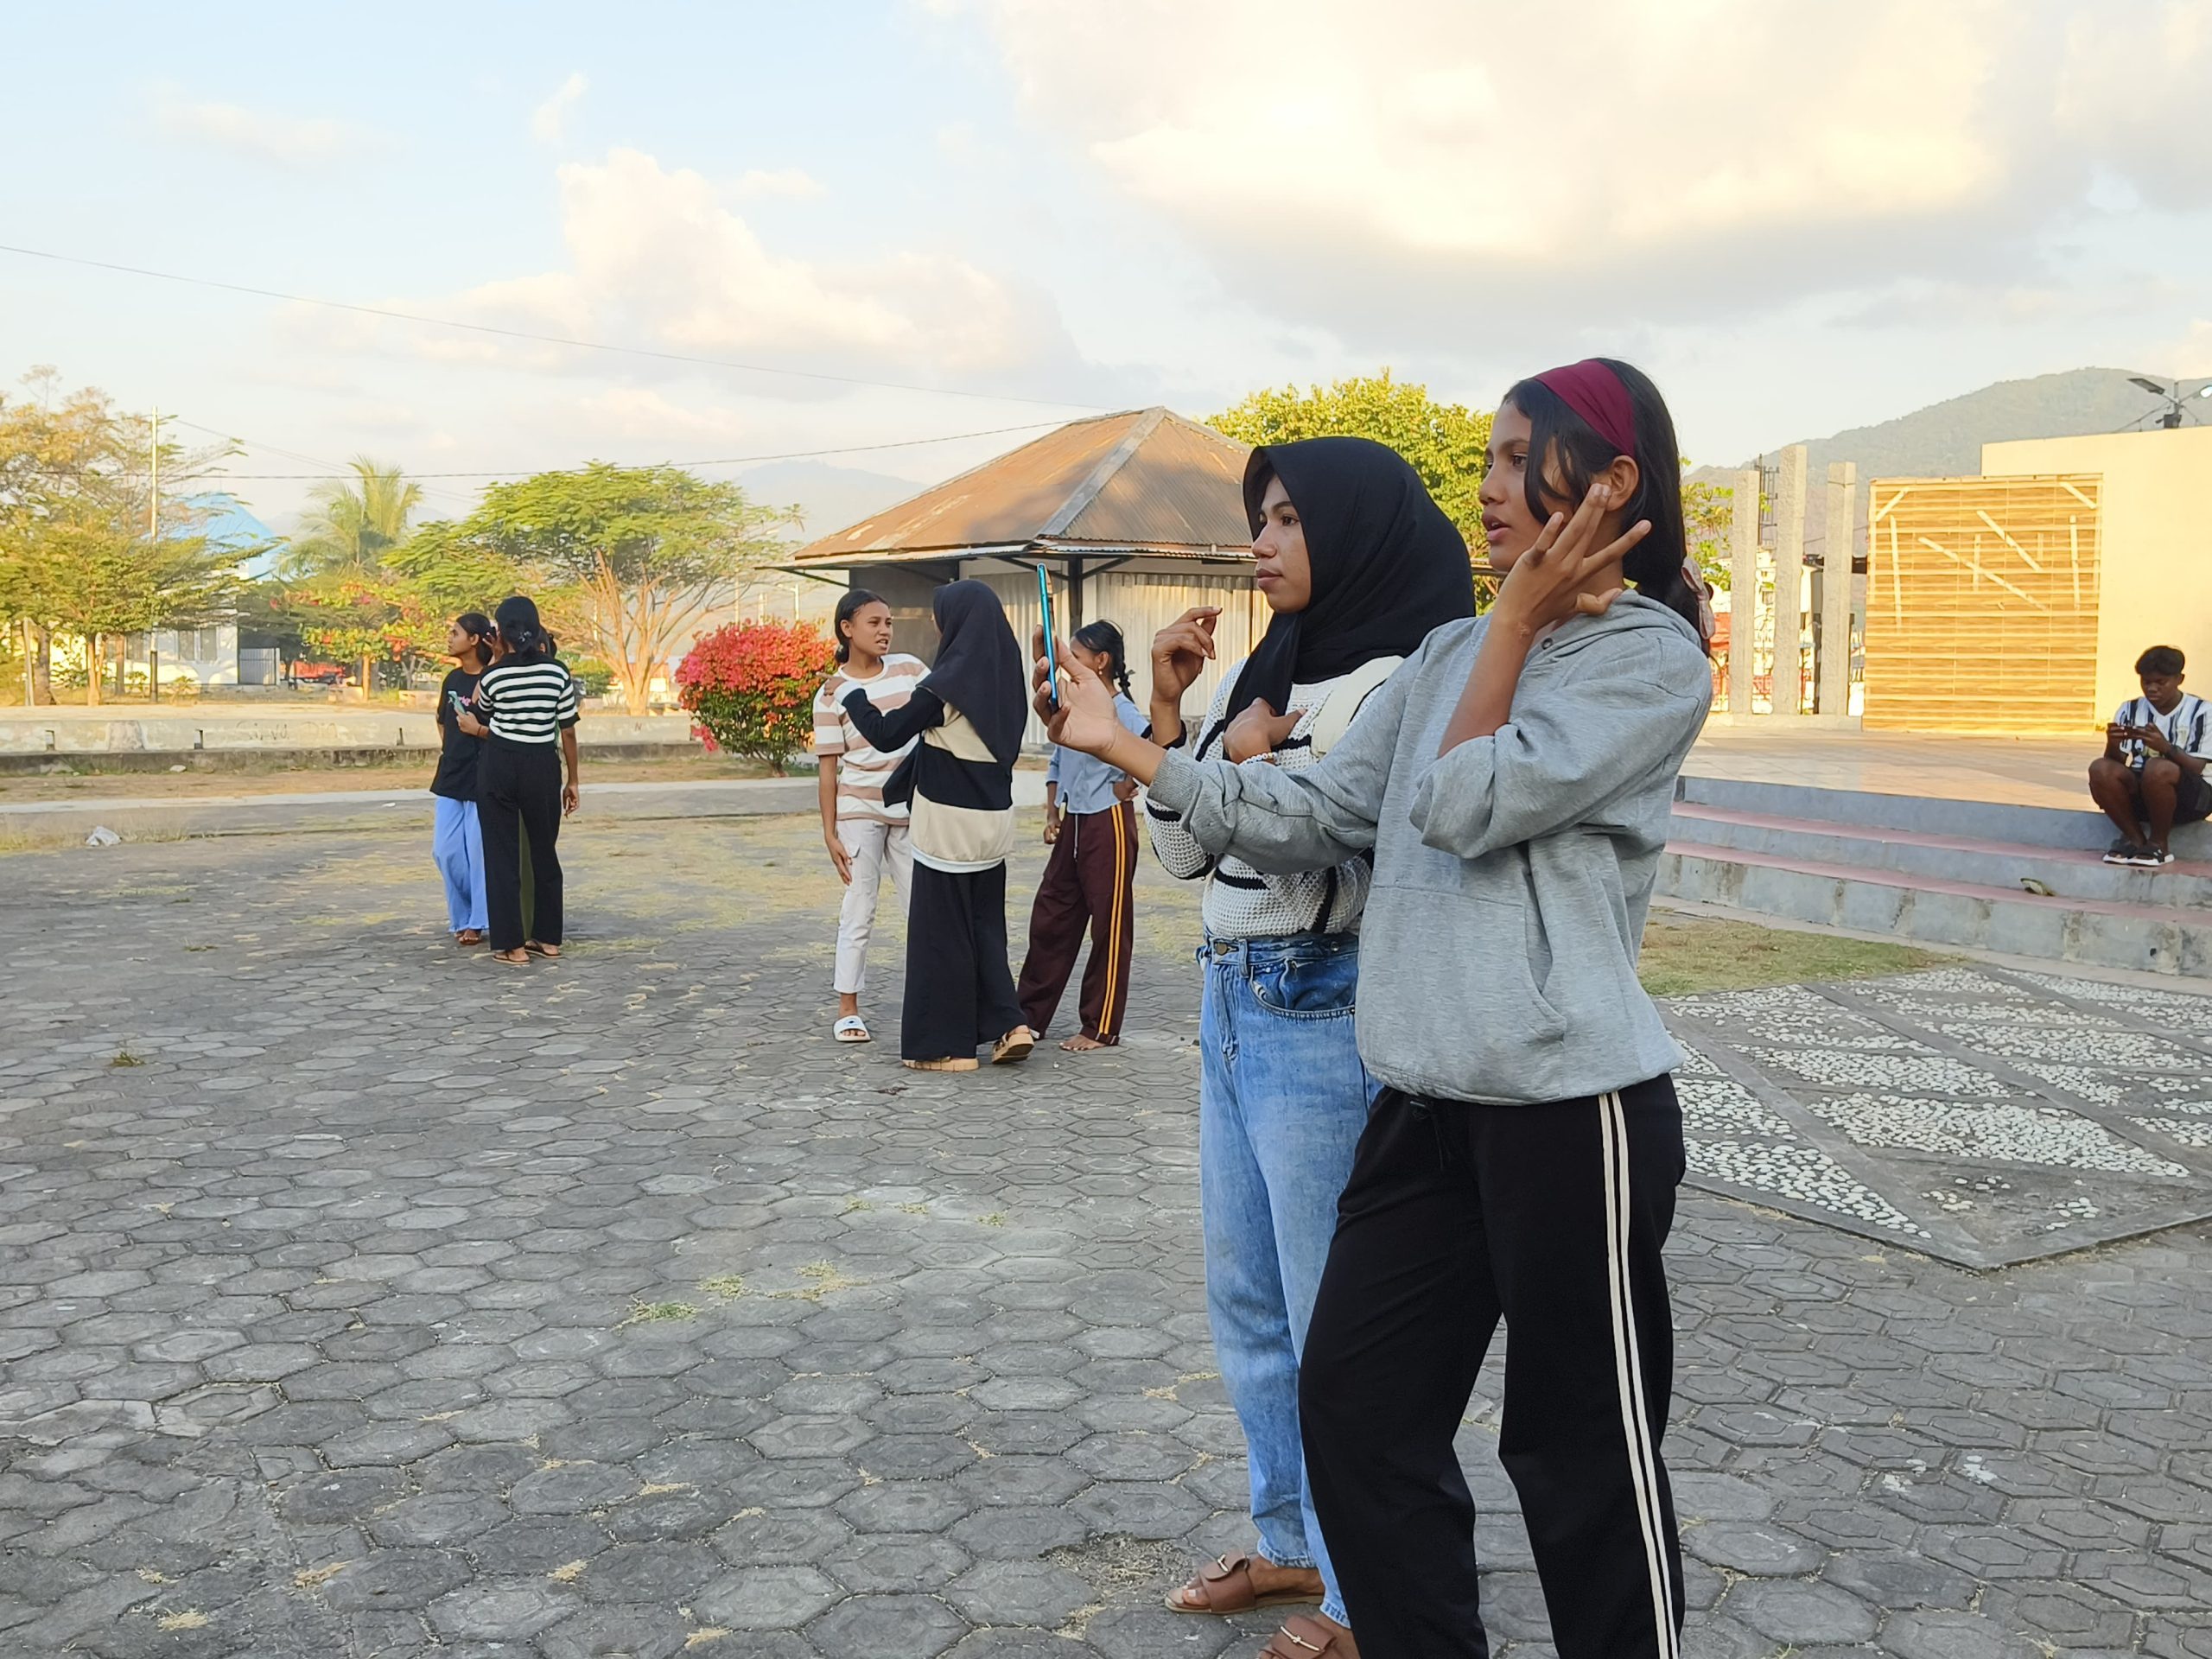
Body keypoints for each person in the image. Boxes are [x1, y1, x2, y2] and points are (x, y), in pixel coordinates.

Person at [1044, 359, 1713, 1659]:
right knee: (1354, 1407)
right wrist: (1137, 747)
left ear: (1615, 481)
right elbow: (1320, 814)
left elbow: (1469, 801)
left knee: (1580, 1453)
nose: (1492, 487)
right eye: (1490, 459)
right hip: (1424, 1099)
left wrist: (1513, 626)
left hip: (1573, 1114)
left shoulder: (1646, 660)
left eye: (1523, 459)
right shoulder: (1454, 651)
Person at [1141, 438, 1476, 1655]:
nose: (1261, 544)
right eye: (1258, 521)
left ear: (1359, 531)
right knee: (1248, 1298)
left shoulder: (1402, 681)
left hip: (1323, 1004)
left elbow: (1318, 837)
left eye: (1287, 521)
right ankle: (1290, 1546)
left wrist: (1243, 762)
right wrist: (1176, 714)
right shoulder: (1271, 673)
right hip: (1233, 993)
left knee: (1336, 1318)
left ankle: (1355, 1594)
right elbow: (1186, 855)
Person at [841, 580, 1035, 1071]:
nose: (935, 625)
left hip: (947, 826)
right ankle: (1010, 1025)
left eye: (940, 617)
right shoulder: (1006, 681)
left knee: (940, 936)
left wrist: (852, 696)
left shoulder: (946, 683)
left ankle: (944, 1049)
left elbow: (887, 736)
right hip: (993, 824)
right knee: (985, 929)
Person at [1015, 620, 1149, 1051]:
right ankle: (1028, 1017)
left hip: (1107, 822)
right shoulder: (1072, 703)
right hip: (1075, 821)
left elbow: (1151, 750)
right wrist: (1052, 809)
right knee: (1051, 916)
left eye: (1078, 655)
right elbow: (1059, 760)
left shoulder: (1123, 710)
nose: (1070, 665)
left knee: (1109, 926)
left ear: (1101, 661)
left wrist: (1125, 787)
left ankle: (1100, 1025)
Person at [814, 590, 928, 1043]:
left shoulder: (912, 670)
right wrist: (829, 833)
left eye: (889, 622)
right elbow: (828, 770)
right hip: (859, 811)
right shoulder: (830, 693)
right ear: (847, 628)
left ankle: (932, 1000)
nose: (884, 631)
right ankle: (847, 1009)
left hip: (914, 809)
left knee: (922, 908)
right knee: (859, 908)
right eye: (874, 622)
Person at [471, 597, 580, 965]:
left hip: (501, 761)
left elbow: (481, 712)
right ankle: (548, 939)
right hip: (542, 765)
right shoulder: (557, 672)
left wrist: (497, 656)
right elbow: (567, 732)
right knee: (543, 851)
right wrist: (573, 781)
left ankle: (512, 946)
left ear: (500, 633)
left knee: (502, 855)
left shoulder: (494, 674)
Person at [2090, 645, 2210, 868]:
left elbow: (2196, 767)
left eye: (2160, 682)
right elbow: (2114, 765)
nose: (2152, 689)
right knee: (2100, 768)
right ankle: (2134, 839)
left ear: (2179, 679)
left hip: (2192, 797)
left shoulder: (2202, 711)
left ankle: (2159, 844)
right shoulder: (2130, 709)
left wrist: (2166, 747)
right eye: (2146, 682)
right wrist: (2113, 744)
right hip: (2143, 790)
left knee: (2158, 767)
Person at [430, 613, 493, 946]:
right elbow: (442, 721)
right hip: (451, 776)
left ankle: (477, 921)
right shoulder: (452, 680)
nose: (449, 637)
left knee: (480, 851)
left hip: (484, 777)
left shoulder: (495, 679)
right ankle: (464, 913)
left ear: (474, 640)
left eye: (455, 632)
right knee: (445, 851)